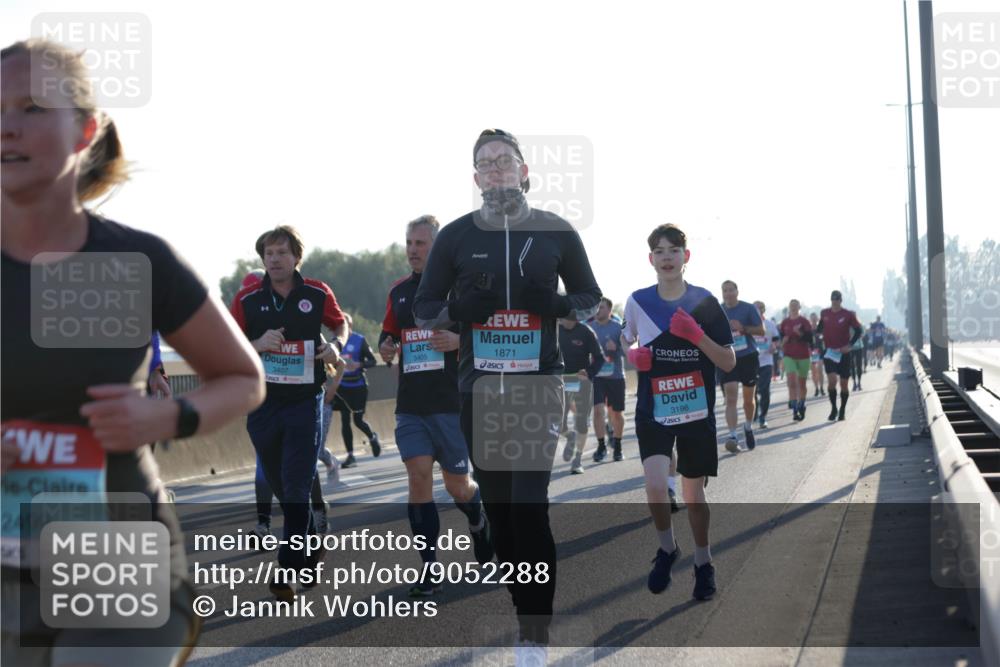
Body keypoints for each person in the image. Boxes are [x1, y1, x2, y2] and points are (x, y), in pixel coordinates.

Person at [1, 38, 265, 666]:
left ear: (84, 131)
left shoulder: (137, 261)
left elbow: (243, 378)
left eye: (33, 106)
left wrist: (168, 417)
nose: (7, 124)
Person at [413, 129, 601, 662]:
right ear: (476, 179)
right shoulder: (454, 236)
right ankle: (523, 604)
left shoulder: (556, 232)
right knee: (500, 511)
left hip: (539, 384)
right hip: (480, 390)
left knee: (529, 506)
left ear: (524, 171)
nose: (495, 170)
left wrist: (558, 303)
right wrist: (460, 309)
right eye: (486, 164)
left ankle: (533, 633)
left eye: (504, 161)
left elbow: (592, 299)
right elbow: (424, 310)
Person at [379, 215, 493, 598]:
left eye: (420, 243)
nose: (412, 250)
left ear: (439, 247)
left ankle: (478, 518)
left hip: (453, 404)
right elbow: (387, 335)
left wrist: (458, 340)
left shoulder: (462, 290)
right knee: (418, 480)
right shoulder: (398, 292)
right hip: (411, 406)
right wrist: (387, 347)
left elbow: (491, 338)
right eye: (409, 243)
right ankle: (429, 566)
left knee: (458, 486)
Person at [230, 225, 346, 600]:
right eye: (268, 253)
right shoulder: (247, 299)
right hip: (263, 405)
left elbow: (340, 323)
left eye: (281, 252)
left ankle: (286, 571)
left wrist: (335, 345)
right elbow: (227, 346)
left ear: (296, 256)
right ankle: (310, 548)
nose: (275, 259)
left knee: (296, 486)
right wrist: (257, 344)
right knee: (283, 489)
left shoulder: (316, 292)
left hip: (303, 401)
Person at [622, 223, 735, 603]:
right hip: (654, 407)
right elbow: (627, 344)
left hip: (694, 409)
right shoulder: (637, 301)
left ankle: (704, 562)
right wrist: (634, 358)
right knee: (655, 485)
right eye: (659, 251)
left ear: (686, 257)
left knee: (693, 495)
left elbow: (729, 361)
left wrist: (696, 336)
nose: (666, 257)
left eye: (673, 251)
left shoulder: (705, 302)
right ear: (650, 259)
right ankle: (667, 548)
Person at [717, 281, 764, 452]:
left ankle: (748, 427)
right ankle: (732, 435)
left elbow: (761, 330)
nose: (728, 293)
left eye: (731, 290)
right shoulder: (718, 311)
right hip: (728, 358)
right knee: (730, 397)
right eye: (725, 291)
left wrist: (742, 328)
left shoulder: (748, 308)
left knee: (748, 400)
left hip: (748, 356)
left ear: (737, 291)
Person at [558, 310, 604, 474]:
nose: (564, 321)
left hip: (580, 382)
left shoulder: (585, 332)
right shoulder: (555, 330)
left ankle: (577, 460)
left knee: (582, 422)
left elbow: (600, 358)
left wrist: (589, 373)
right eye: (562, 318)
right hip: (560, 381)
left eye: (567, 319)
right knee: (557, 422)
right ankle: (569, 436)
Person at [331, 313, 381, 468]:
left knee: (358, 421)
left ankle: (372, 437)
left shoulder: (359, 340)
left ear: (349, 326)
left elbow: (372, 361)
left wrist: (358, 365)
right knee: (345, 420)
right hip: (342, 386)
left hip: (358, 386)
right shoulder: (335, 342)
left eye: (343, 324)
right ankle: (351, 456)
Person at [589, 297, 628, 463]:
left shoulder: (618, 328)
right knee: (598, 411)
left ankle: (617, 447)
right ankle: (601, 446)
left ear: (609, 310)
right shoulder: (589, 329)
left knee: (616, 414)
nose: (598, 311)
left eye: (602, 308)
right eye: (596, 308)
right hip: (597, 378)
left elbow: (629, 352)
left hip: (616, 377)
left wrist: (617, 348)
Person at [816, 290, 862, 421]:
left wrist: (850, 345)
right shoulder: (824, 313)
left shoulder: (848, 314)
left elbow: (859, 331)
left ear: (841, 301)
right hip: (830, 352)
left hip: (844, 353)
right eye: (833, 300)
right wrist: (819, 335)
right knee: (831, 382)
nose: (834, 302)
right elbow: (820, 329)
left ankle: (842, 409)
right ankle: (834, 408)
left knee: (844, 384)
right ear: (830, 300)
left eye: (837, 300)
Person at [779, 300, 813, 421]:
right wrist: (783, 341)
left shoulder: (804, 321)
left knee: (802, 383)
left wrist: (800, 333)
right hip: (789, 354)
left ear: (799, 307)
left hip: (803, 354)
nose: (793, 308)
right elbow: (780, 339)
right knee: (792, 381)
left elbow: (810, 339)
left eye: (795, 306)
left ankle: (802, 403)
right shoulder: (785, 322)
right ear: (789, 308)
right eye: (791, 306)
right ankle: (794, 407)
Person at [752, 301, 780, 429]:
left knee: (764, 390)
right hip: (751, 361)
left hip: (766, 361)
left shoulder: (769, 324)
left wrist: (774, 347)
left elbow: (776, 339)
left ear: (763, 310)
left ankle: (763, 416)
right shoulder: (749, 325)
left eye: (758, 308)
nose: (756, 310)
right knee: (752, 390)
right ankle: (754, 412)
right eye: (754, 308)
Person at [808, 313, 825, 397]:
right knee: (814, 372)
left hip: (820, 352)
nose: (814, 320)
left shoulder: (821, 329)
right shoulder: (808, 330)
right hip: (811, 353)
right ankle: (816, 388)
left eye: (815, 319)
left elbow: (825, 339)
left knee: (820, 371)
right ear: (810, 320)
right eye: (812, 319)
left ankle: (822, 388)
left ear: (817, 319)